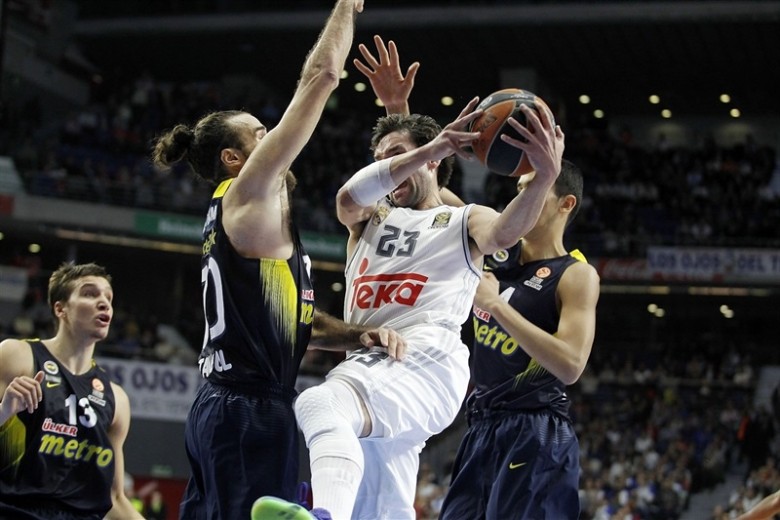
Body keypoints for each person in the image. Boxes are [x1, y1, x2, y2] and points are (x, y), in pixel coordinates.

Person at [255, 38, 565, 520]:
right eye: (379, 159)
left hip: (427, 358)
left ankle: (321, 517)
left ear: (435, 160)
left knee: (320, 403)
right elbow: (352, 194)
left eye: (397, 155)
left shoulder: (462, 218)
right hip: (377, 360)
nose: (385, 167)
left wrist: (545, 176)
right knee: (381, 509)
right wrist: (401, 121)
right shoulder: (366, 215)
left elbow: (507, 228)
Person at [151, 2, 407, 519]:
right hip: (248, 409)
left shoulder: (248, 221)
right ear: (234, 158)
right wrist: (344, 5)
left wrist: (357, 336)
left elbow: (292, 324)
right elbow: (321, 77)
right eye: (259, 134)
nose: (274, 138)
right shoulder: (247, 194)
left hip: (226, 404)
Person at [354, 36, 600, 519]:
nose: (519, 199)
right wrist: (398, 111)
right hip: (481, 424)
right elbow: (421, 192)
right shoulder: (492, 244)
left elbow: (571, 366)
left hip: (536, 428)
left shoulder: (576, 274)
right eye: (520, 188)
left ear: (564, 202)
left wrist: (499, 306)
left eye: (534, 189)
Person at [0, 262, 143, 520]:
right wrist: (3, 412)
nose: (104, 303)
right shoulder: (17, 356)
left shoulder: (117, 399)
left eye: (108, 297)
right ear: (60, 308)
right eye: (90, 293)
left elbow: (115, 499)